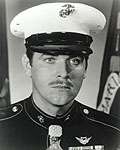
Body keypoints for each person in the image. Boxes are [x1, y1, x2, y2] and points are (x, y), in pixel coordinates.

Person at [0, 2, 120, 150]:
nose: (63, 73)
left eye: (75, 60)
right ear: (27, 65)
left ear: (85, 68)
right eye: (50, 59)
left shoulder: (112, 133)